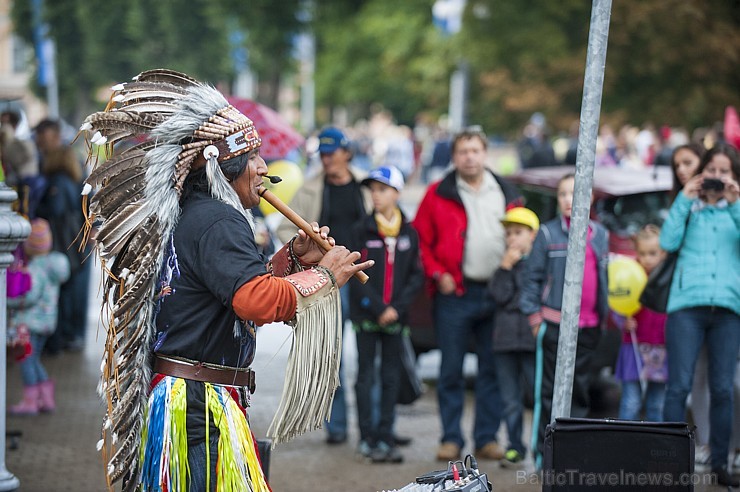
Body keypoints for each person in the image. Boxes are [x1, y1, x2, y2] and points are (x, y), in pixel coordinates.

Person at [80, 70, 373, 491]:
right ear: (227, 166)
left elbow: (231, 289)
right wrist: (326, 276)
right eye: (253, 158)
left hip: (190, 397)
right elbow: (253, 300)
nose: (263, 168)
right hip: (197, 404)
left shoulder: (195, 213)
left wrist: (292, 257)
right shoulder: (220, 220)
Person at [414, 127, 522, 462]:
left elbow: (522, 236)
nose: (469, 157)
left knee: (491, 369)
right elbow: (420, 241)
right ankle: (451, 439)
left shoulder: (506, 191)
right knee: (450, 370)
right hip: (454, 293)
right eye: (463, 151)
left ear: (485, 154)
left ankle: (487, 439)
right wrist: (437, 273)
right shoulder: (438, 193)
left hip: (496, 293)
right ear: (454, 156)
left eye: (475, 151)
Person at [276, 126, 372, 445]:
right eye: (323, 154)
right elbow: (285, 229)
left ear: (347, 153)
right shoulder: (310, 187)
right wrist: (307, 259)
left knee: (375, 355)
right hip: (333, 282)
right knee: (335, 355)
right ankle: (339, 427)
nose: (328, 159)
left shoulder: (365, 186)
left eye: (332, 153)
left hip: (366, 280)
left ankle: (374, 430)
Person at [660, 143, 740, 487]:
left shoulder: (735, 210)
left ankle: (721, 463)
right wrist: (683, 198)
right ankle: (671, 466)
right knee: (678, 387)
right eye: (713, 171)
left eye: (725, 171)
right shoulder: (688, 207)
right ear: (702, 172)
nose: (718, 177)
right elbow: (667, 241)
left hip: (727, 308)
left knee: (723, 389)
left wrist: (736, 205)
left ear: (734, 176)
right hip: (686, 307)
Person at [519, 173, 609, 468]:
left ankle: (574, 455)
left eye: (575, 193)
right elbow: (531, 279)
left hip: (589, 327)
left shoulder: (601, 235)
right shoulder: (548, 234)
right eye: (562, 195)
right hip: (555, 324)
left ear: (590, 198)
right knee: (548, 392)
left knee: (580, 392)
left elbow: (604, 279)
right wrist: (535, 319)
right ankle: (543, 455)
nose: (569, 200)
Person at [349, 165, 424, 464]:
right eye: (372, 190)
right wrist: (379, 308)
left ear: (397, 193)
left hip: (397, 319)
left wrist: (397, 309)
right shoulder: (360, 230)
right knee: (366, 376)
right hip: (367, 317)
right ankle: (367, 437)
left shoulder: (409, 231)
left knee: (391, 376)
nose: (376, 196)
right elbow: (353, 274)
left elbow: (416, 276)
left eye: (382, 190)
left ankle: (386, 433)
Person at [487, 207, 539, 467]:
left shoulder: (539, 265)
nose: (512, 239)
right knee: (510, 399)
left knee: (538, 394)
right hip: (505, 340)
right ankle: (515, 446)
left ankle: (542, 448)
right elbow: (498, 296)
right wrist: (505, 268)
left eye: (518, 233)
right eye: (508, 234)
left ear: (533, 235)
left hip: (531, 340)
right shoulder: (504, 266)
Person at [7, 218, 70, 415]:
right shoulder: (52, 266)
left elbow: (30, 297)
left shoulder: (35, 269)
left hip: (30, 323)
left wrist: (8, 302)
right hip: (46, 322)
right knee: (34, 359)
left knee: (26, 360)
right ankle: (46, 398)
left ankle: (31, 402)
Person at [36, 146, 92, 353]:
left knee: (63, 293)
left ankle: (60, 339)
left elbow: (55, 209)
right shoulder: (76, 181)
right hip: (75, 242)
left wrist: (37, 209)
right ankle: (73, 335)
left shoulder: (57, 182)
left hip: (61, 243)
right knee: (74, 290)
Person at [613, 225, 668, 422]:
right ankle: (624, 445)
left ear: (663, 253)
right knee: (631, 401)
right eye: (642, 253)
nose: (647, 259)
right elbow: (617, 303)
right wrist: (622, 321)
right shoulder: (630, 275)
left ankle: (654, 448)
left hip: (662, 348)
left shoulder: (667, 278)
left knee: (657, 404)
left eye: (653, 253)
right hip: (633, 347)